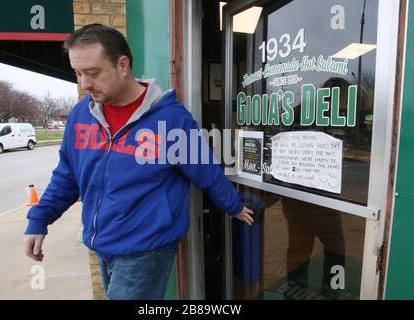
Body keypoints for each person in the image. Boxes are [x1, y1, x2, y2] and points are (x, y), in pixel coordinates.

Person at [23, 24, 254, 300]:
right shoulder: (80, 116)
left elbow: (204, 170)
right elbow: (67, 175)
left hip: (146, 246)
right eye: (79, 73)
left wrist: (234, 205)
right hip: (103, 242)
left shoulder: (169, 119)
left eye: (93, 73)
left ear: (123, 65)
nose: (84, 84)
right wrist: (40, 218)